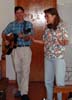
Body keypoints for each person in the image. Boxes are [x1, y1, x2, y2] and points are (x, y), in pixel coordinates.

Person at [2, 6, 34, 100]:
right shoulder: (11, 24)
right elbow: (3, 33)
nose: (19, 14)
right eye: (17, 13)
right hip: (14, 50)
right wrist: (6, 40)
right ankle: (20, 89)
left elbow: (30, 37)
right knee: (18, 71)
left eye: (21, 12)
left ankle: (24, 93)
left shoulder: (28, 24)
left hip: (25, 49)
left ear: (24, 13)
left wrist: (24, 36)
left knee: (25, 71)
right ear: (15, 14)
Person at [42, 8, 69, 100]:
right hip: (48, 57)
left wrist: (63, 42)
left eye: (47, 16)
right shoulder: (47, 27)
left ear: (54, 16)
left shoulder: (62, 26)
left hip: (58, 58)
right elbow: (45, 41)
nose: (46, 18)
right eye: (45, 16)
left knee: (59, 83)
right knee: (48, 81)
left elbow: (66, 40)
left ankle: (59, 99)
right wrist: (34, 40)